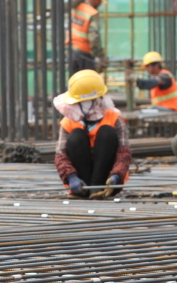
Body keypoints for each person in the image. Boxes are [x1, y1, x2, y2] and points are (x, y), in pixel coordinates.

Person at [54, 70, 132, 199]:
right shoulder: (68, 122)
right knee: (76, 136)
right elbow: (60, 155)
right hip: (78, 183)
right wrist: (71, 177)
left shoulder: (114, 119)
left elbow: (124, 153)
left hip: (107, 183)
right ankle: (83, 189)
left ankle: (97, 187)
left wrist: (116, 176)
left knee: (107, 133)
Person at [69, 0, 109, 74]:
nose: (100, 4)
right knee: (88, 84)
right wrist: (101, 56)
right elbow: (94, 37)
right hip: (84, 55)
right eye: (99, 0)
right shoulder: (92, 13)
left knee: (74, 83)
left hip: (71, 52)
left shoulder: (76, 6)